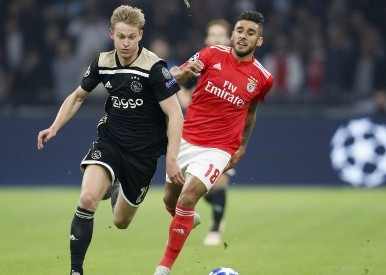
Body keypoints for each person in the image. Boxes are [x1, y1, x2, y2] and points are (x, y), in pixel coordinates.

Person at [36, 5, 185, 275]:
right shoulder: (103, 63)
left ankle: (115, 186)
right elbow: (78, 96)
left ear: (140, 35)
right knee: (87, 198)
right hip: (111, 142)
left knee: (120, 222)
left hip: (143, 154)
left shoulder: (154, 68)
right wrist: (55, 126)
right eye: (120, 37)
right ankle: (76, 271)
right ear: (112, 34)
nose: (125, 43)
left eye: (131, 37)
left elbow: (175, 114)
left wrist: (172, 158)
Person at [154, 11, 274, 275]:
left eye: (250, 33)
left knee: (186, 199)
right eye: (240, 30)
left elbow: (251, 112)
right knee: (169, 199)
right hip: (186, 139)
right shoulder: (210, 54)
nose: (243, 36)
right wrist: (186, 71)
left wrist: (242, 145)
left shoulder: (263, 78)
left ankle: (164, 267)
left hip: (219, 148)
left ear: (259, 41)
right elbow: (171, 78)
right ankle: (187, 220)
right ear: (233, 33)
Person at [177, 19, 235, 247]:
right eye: (213, 35)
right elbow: (179, 82)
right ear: (207, 40)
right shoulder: (201, 62)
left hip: (223, 136)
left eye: (222, 35)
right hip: (195, 135)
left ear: (229, 39)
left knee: (218, 183)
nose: (218, 39)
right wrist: (184, 98)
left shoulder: (236, 65)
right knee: (195, 189)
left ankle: (215, 229)